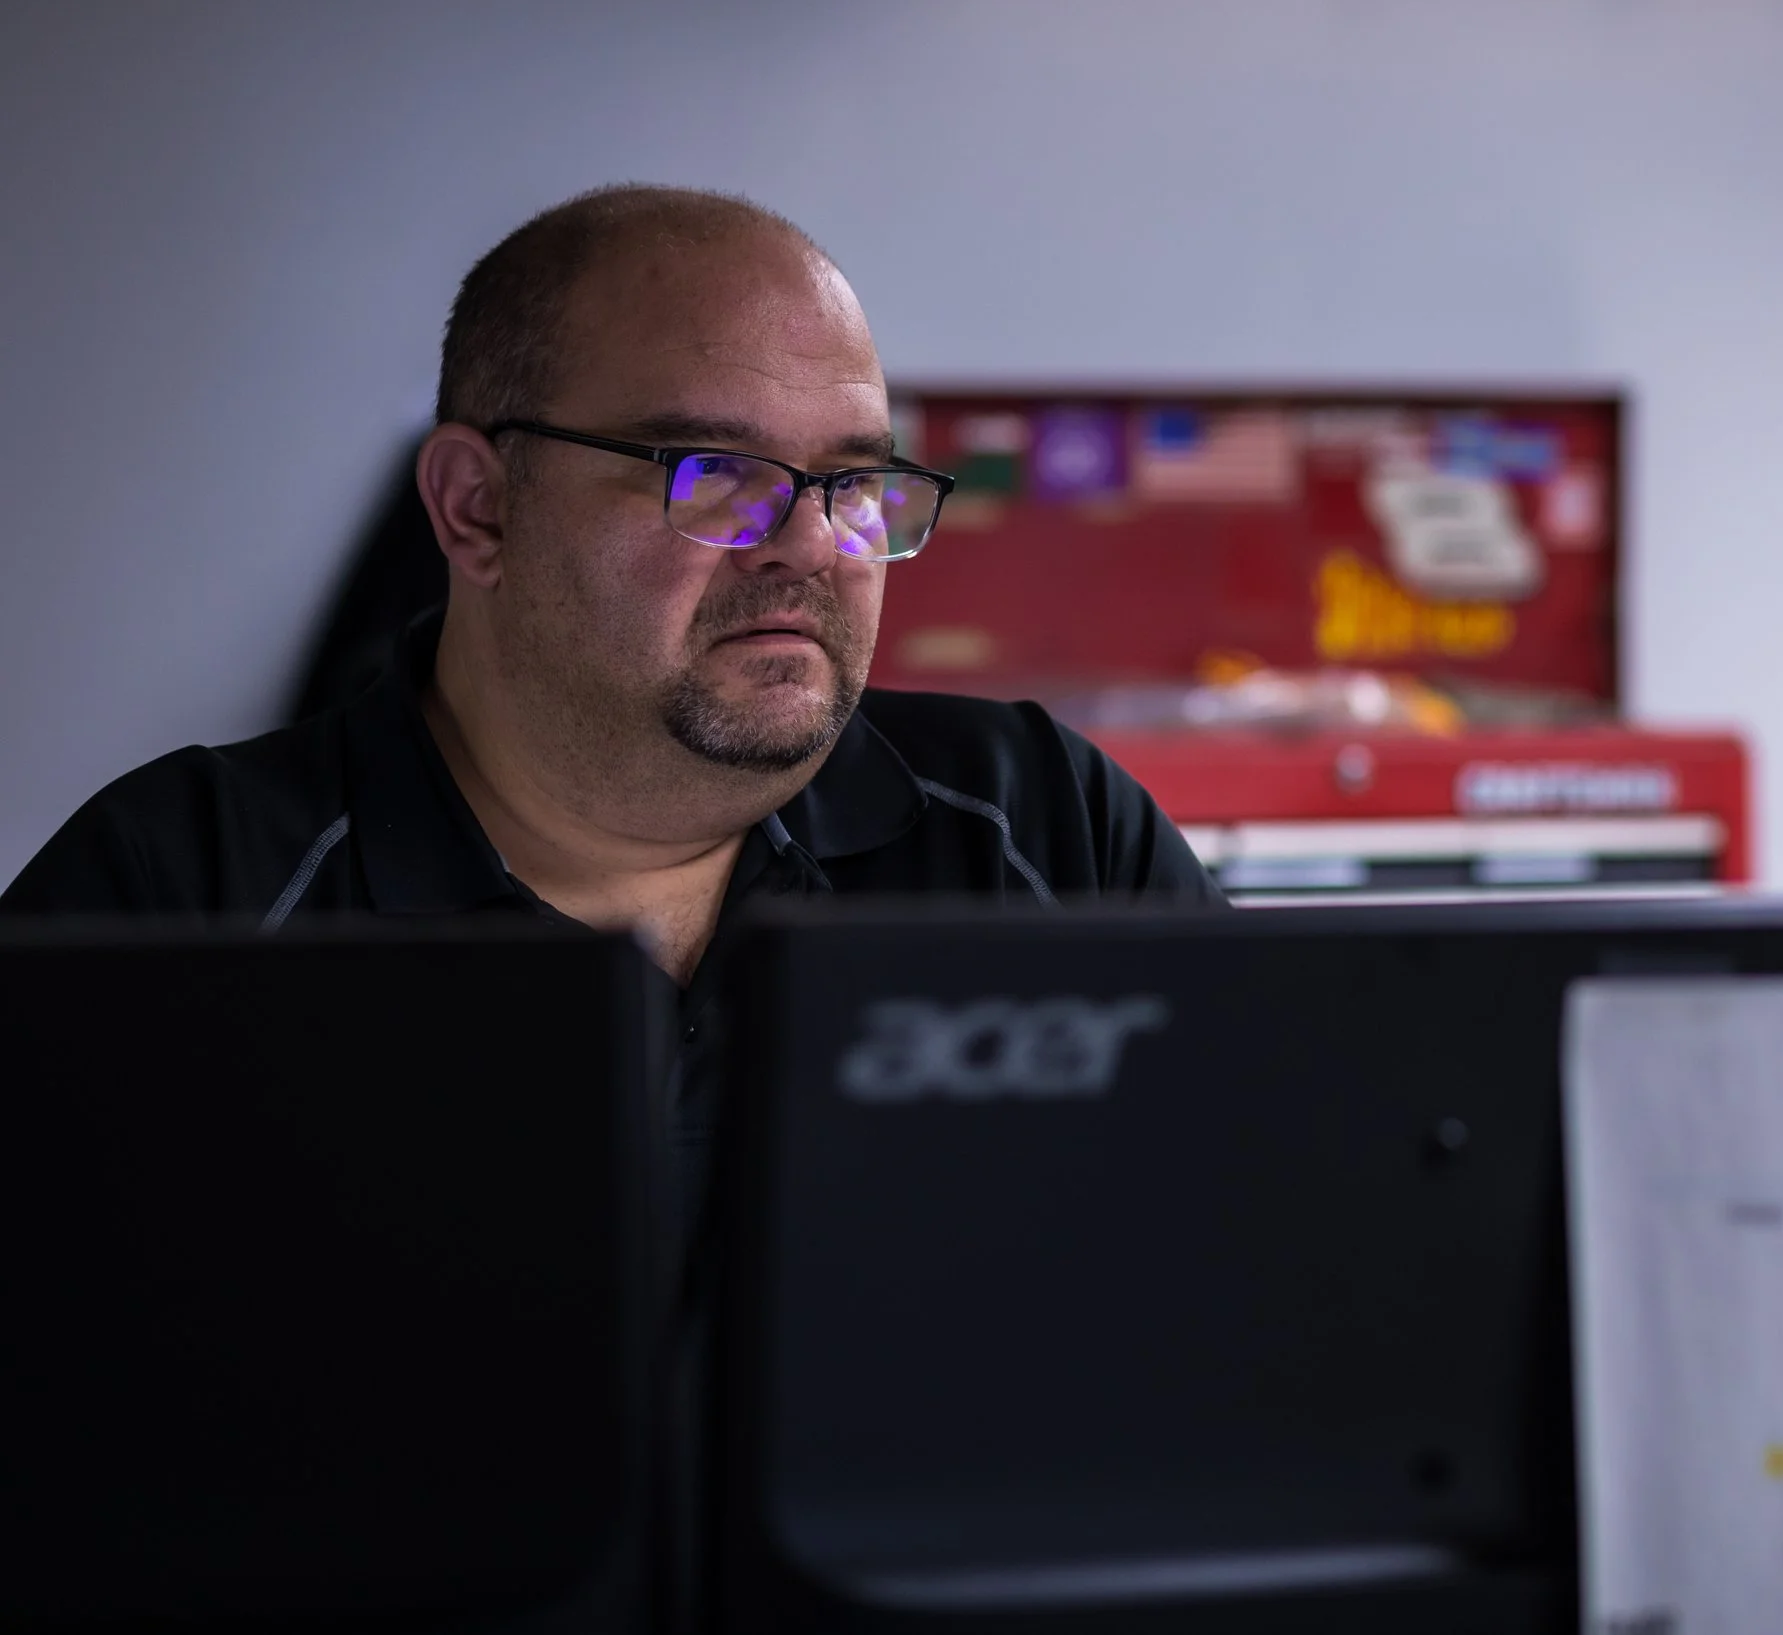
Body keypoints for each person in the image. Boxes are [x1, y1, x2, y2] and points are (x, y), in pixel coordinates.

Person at [3, 183, 1224, 1059]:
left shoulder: (1047, 840)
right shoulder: (176, 900)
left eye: (855, 482)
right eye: (713, 472)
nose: (811, 542)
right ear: (477, 508)